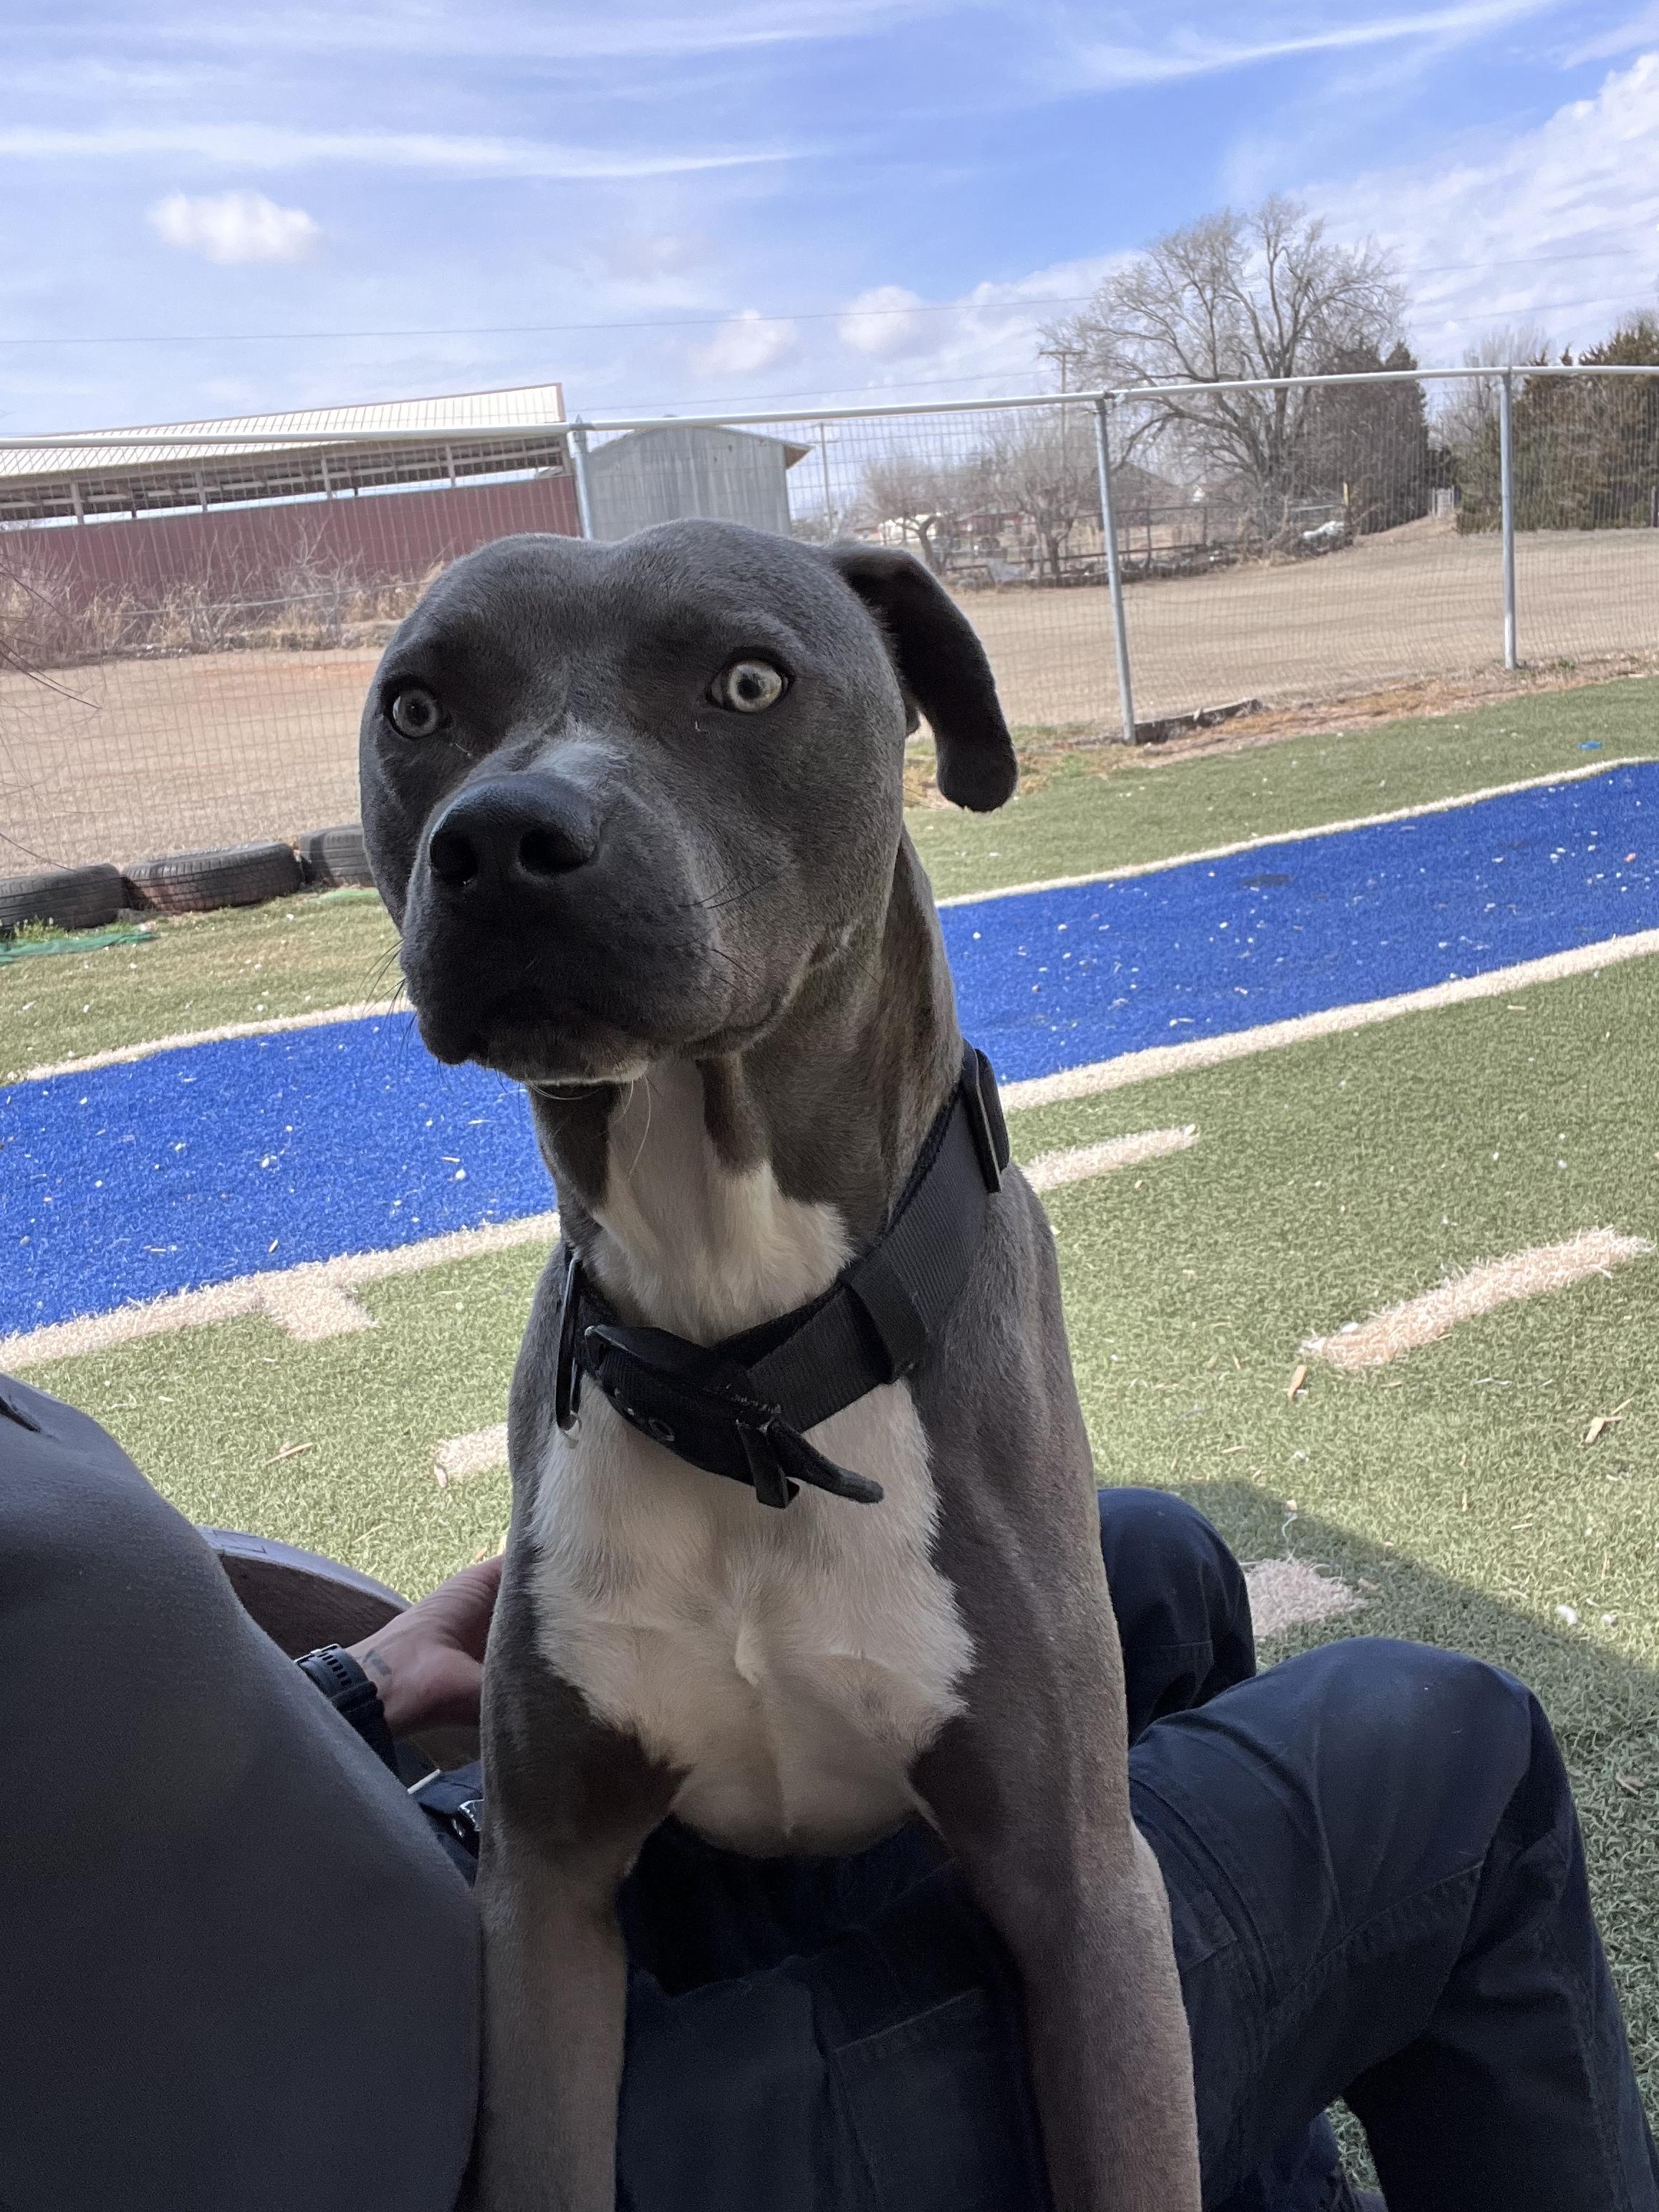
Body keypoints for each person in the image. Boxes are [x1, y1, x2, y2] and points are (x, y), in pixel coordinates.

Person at [1, 1369, 1654, 2212]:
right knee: (1455, 1754)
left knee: (1136, 1565)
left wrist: (357, 1693)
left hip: (402, 1889)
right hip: (461, 2137)